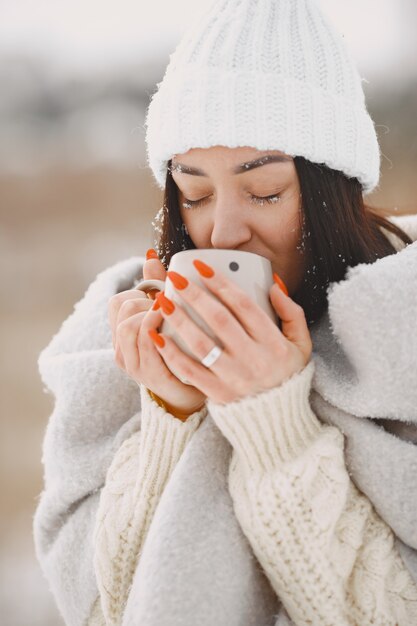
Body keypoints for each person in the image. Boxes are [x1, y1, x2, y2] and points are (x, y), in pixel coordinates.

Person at [33, 0, 417, 625]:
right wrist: (171, 411)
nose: (223, 231)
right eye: (195, 193)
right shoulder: (111, 350)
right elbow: (107, 611)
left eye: (264, 190)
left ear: (332, 189)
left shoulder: (405, 329)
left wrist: (276, 426)